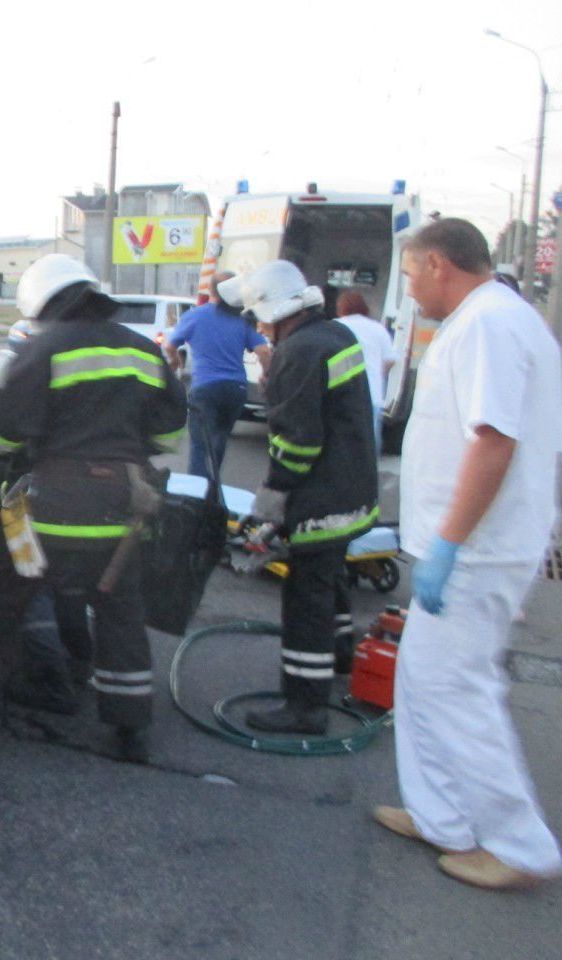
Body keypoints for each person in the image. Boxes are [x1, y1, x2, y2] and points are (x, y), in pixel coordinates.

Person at [0, 254, 186, 761]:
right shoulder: (141, 350)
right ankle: (130, 730)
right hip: (121, 513)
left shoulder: (44, 350)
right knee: (120, 615)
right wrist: (126, 446)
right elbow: (171, 432)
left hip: (46, 513)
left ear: (44, 306)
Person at [373, 218, 562, 891]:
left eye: (413, 273)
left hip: (478, 547)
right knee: (422, 682)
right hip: (472, 541)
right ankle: (444, 816)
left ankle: (519, 845)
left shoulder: (489, 324)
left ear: (437, 264)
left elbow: (494, 441)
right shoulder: (492, 319)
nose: (412, 289)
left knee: (457, 690)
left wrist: (451, 542)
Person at [220, 260, 378, 735]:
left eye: (258, 317)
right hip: (354, 493)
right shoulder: (335, 335)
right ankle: (341, 658)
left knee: (305, 597)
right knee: (330, 581)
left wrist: (272, 499)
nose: (258, 326)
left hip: (322, 501)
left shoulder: (298, 353)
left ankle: (305, 705)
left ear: (273, 309)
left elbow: (298, 443)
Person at [164, 271, 271, 478]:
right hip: (235, 390)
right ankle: (212, 490)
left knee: (200, 447)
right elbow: (264, 352)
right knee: (219, 441)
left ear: (211, 290)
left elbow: (169, 346)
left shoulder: (195, 316)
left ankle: (197, 498)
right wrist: (266, 375)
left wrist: (176, 361)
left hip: (205, 389)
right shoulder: (242, 319)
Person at [334, 290, 397, 452]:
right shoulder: (378, 329)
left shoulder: (335, 327)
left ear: (340, 308)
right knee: (369, 445)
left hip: (341, 395)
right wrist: (378, 373)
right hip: (372, 394)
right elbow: (390, 359)